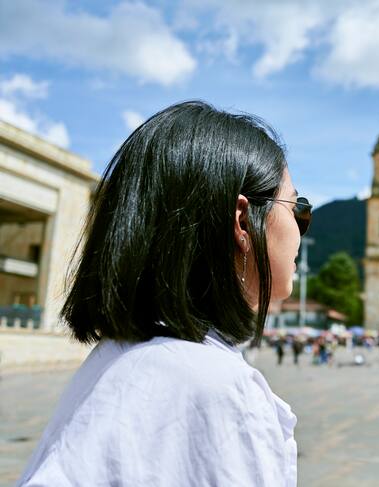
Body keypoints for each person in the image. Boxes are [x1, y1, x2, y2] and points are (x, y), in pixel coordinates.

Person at [18, 101, 312, 486]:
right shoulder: (216, 388)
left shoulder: (117, 357)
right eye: (297, 208)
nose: (301, 228)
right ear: (242, 220)